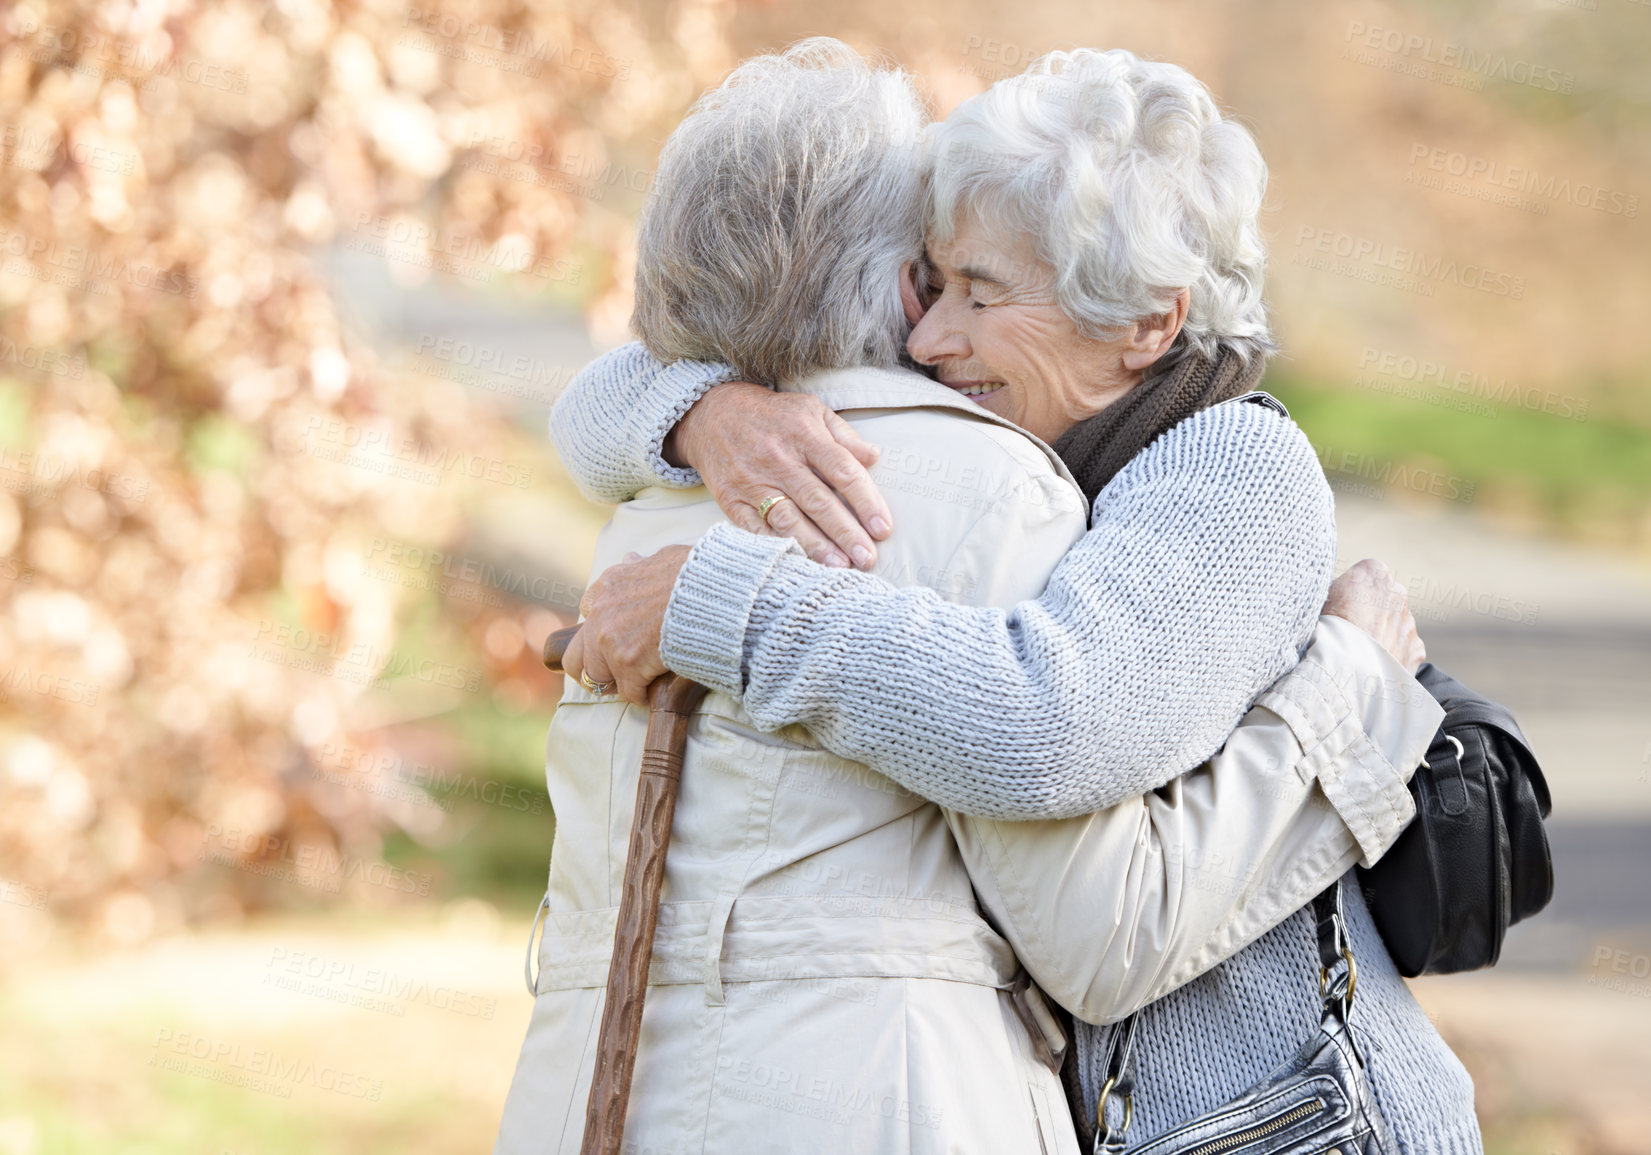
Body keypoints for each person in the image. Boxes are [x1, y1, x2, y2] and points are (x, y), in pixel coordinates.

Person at [558, 45, 1483, 1153]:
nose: (927, 337)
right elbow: (590, 403)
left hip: (1298, 1124)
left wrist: (724, 607)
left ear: (1146, 324)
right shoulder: (1013, 449)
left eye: (981, 298)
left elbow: (1043, 723)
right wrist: (706, 412)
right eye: (934, 283)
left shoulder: (1230, 469)